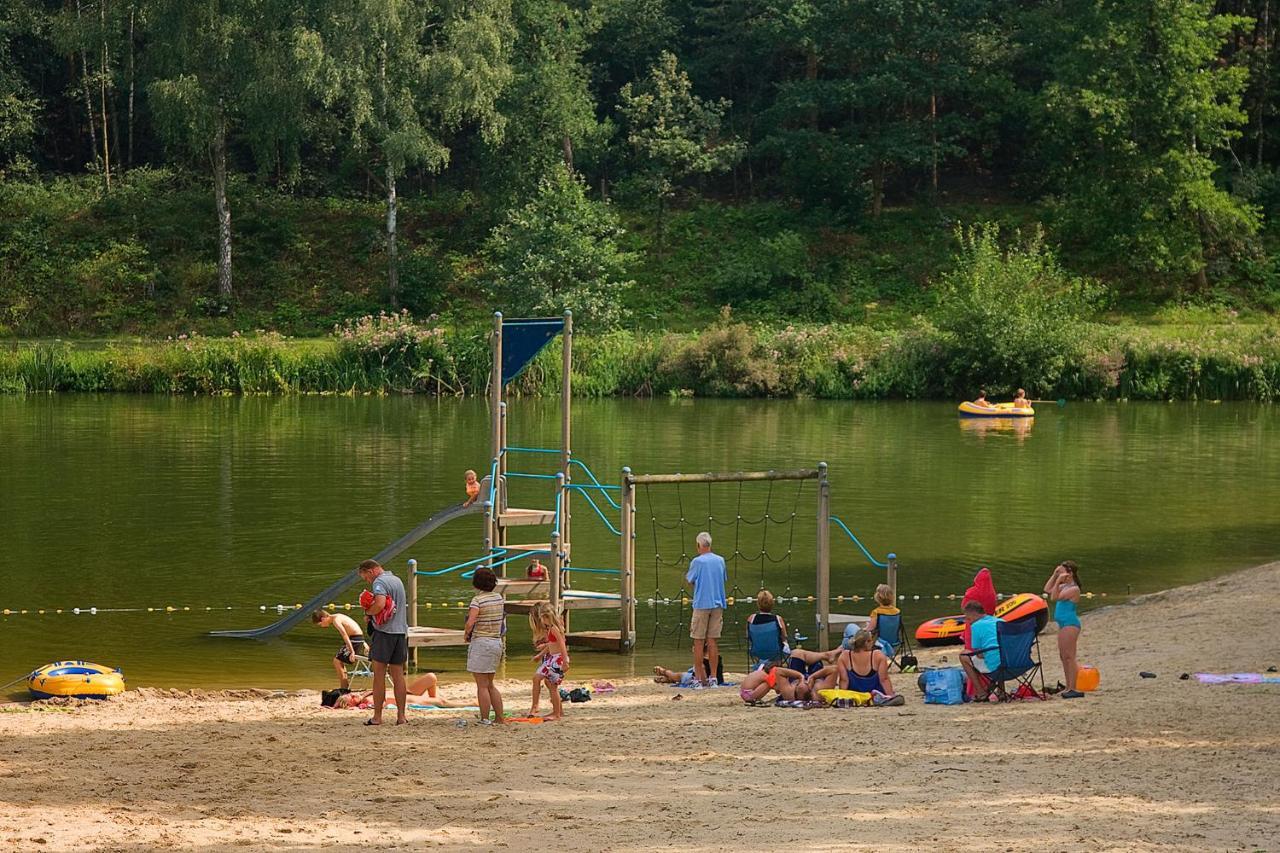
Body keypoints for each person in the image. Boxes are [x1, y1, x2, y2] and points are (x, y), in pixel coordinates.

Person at [357, 559, 408, 726]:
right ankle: (401, 716)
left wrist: (369, 613)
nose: (368, 581)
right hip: (400, 631)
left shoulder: (379, 582)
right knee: (398, 675)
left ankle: (377, 717)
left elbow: (379, 604)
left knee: (379, 675)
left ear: (370, 571)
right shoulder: (397, 580)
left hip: (385, 632)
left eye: (366, 577)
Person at [684, 531, 728, 687]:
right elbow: (723, 579)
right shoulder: (721, 560)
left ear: (698, 546)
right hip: (717, 604)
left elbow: (690, 580)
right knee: (712, 642)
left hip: (702, 604)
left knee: (698, 641)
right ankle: (714, 678)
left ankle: (697, 679)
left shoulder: (697, 562)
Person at [464, 567, 506, 724]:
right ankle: (500, 717)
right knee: (490, 684)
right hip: (496, 641)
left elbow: (471, 620)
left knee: (481, 685)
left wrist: (466, 633)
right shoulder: (499, 598)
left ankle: (485, 718)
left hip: (482, 642)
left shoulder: (477, 600)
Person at [1046, 560, 1084, 699]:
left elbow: (1054, 597)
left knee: (1070, 656)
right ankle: (1068, 686)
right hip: (1063, 624)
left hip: (1070, 623)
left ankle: (1073, 687)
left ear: (1070, 573)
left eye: (1062, 572)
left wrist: (1058, 581)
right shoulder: (1064, 586)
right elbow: (1047, 589)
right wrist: (1055, 575)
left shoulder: (1073, 589)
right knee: (1063, 657)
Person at [837, 630, 902, 705]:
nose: (873, 643)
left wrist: (842, 697)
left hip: (855, 694)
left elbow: (844, 680)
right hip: (874, 693)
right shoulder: (878, 655)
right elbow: (884, 679)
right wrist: (890, 695)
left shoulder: (844, 656)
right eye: (871, 640)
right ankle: (881, 699)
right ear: (867, 642)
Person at [528, 602, 570, 720]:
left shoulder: (555, 629)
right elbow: (551, 645)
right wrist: (539, 655)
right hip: (551, 658)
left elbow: (562, 645)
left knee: (552, 685)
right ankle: (558, 711)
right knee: (540, 679)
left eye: (543, 618)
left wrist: (565, 661)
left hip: (558, 659)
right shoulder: (550, 629)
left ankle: (556, 714)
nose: (542, 621)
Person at [323, 673, 455, 710]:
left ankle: (436, 704)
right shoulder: (367, 702)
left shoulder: (363, 696)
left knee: (431, 677)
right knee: (439, 701)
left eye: (351, 693)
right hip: (404, 697)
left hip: (405, 692)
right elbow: (380, 704)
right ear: (350, 704)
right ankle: (436, 704)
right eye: (352, 696)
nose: (354, 693)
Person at [311, 609, 366, 690]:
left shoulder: (336, 620)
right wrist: (364, 643)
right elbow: (354, 628)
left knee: (337, 661)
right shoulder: (338, 615)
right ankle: (345, 686)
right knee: (338, 660)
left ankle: (344, 688)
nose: (321, 626)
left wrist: (352, 651)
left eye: (320, 624)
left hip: (355, 639)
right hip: (357, 638)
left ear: (323, 619)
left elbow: (344, 635)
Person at [958, 601, 1001, 700]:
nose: (968, 621)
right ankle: (1001, 691)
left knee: (964, 655)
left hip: (994, 667)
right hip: (1013, 664)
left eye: (968, 618)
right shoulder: (1000, 621)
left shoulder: (976, 626)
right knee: (1000, 651)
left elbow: (979, 655)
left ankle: (981, 693)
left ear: (974, 614)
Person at [746, 589, 788, 665]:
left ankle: (760, 667)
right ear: (772, 604)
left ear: (758, 604)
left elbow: (748, 636)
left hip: (757, 651)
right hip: (776, 651)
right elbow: (784, 636)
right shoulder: (778, 619)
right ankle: (776, 668)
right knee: (784, 646)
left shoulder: (751, 619)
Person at [738, 665, 811, 704]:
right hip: (749, 694)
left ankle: (754, 698)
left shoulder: (757, 673)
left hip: (744, 692)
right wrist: (779, 688)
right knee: (767, 685)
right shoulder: (764, 676)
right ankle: (754, 699)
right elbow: (772, 685)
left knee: (767, 684)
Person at [866, 583, 900, 656]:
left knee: (851, 630)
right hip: (894, 642)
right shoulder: (897, 612)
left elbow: (869, 630)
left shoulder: (876, 612)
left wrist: (866, 626)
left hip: (879, 642)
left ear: (877, 597)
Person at [652, 657, 724, 687]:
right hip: (700, 675)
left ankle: (664, 672)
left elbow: (703, 681)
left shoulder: (702, 660)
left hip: (696, 677)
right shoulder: (716, 657)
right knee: (680, 675)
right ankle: (667, 677)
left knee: (678, 676)